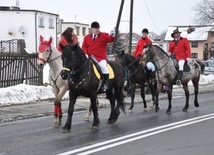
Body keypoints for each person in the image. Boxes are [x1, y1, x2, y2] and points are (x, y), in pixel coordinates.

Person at [82, 21, 115, 92]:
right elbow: (84, 46)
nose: (97, 30)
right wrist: (85, 53)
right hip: (89, 57)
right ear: (92, 29)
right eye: (95, 28)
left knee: (103, 67)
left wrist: (112, 35)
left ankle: (106, 84)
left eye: (98, 28)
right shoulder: (86, 37)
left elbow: (110, 39)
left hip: (100, 57)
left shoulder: (104, 35)